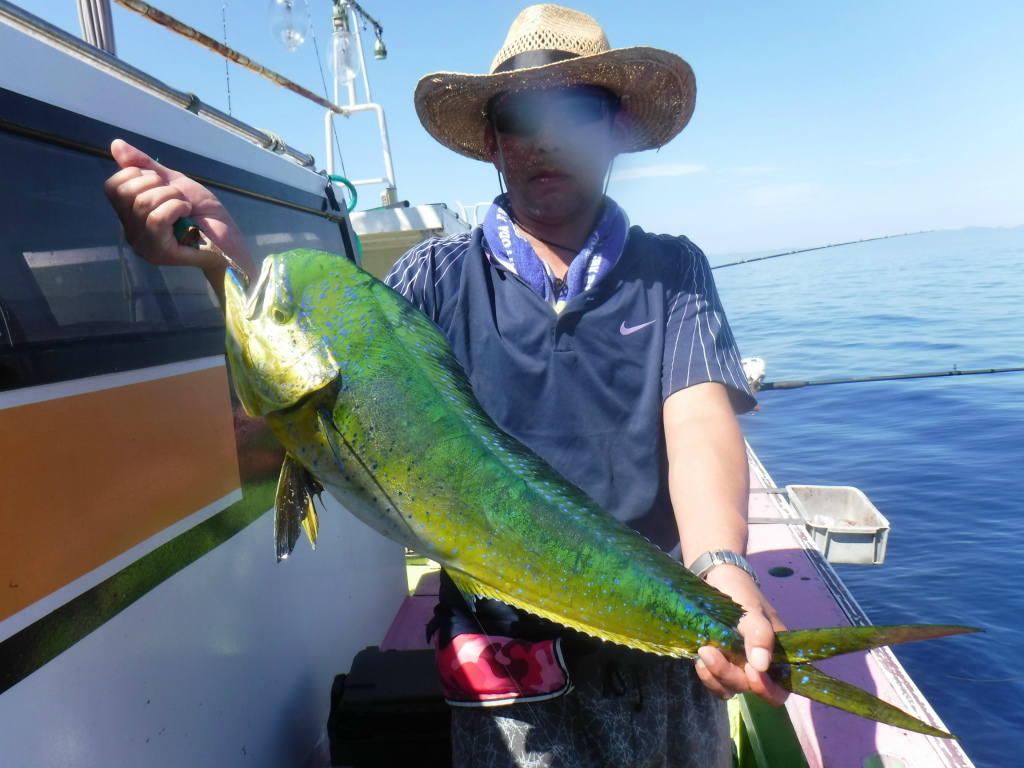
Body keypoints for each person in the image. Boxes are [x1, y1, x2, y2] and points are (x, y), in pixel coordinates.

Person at [105, 5, 786, 766]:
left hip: (663, 644)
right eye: (520, 115)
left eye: (577, 110)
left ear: (618, 128)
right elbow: (339, 373)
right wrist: (221, 260)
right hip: (503, 673)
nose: (547, 135)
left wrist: (722, 569)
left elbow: (696, 423)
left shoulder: (673, 270)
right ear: (493, 143)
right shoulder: (429, 278)